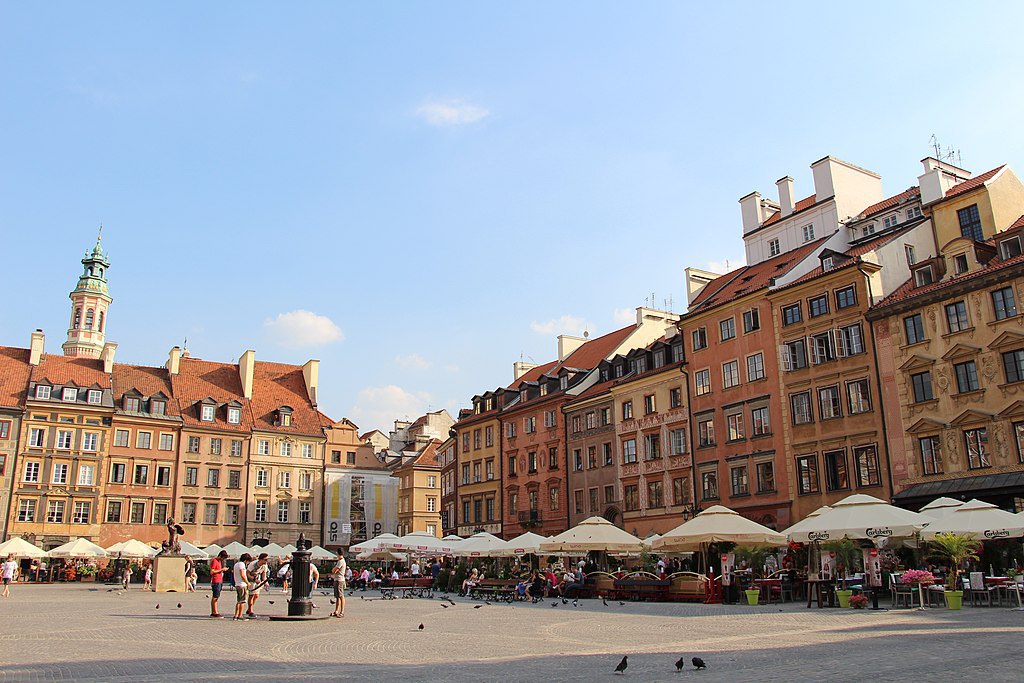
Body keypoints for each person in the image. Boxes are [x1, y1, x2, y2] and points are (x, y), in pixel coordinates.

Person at [247, 553, 270, 618]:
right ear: (260, 559)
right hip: (251, 580)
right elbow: (247, 573)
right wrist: (254, 579)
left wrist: (266, 582)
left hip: (258, 580)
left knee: (256, 595)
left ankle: (249, 608)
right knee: (251, 595)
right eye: (265, 560)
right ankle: (250, 611)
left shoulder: (265, 565)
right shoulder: (253, 564)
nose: (266, 561)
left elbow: (264, 575)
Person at [233, 553, 252, 621]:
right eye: (248, 561)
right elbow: (242, 575)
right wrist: (247, 583)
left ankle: (236, 615)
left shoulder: (236, 564)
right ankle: (240, 616)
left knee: (238, 601)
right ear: (246, 560)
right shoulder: (242, 565)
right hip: (242, 584)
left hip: (237, 584)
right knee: (243, 601)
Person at [210, 550, 228, 618]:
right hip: (216, 580)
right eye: (223, 558)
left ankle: (214, 611)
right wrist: (222, 570)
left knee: (216, 597)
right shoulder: (214, 561)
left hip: (219, 580)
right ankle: (215, 612)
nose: (223, 560)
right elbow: (212, 571)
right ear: (220, 556)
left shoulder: (219, 561)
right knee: (215, 597)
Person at [331, 553, 347, 618]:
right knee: (337, 596)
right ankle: (336, 611)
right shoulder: (340, 561)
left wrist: (334, 569)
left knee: (341, 596)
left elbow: (334, 571)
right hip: (337, 579)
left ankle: (342, 612)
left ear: (338, 553)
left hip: (339, 580)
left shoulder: (341, 561)